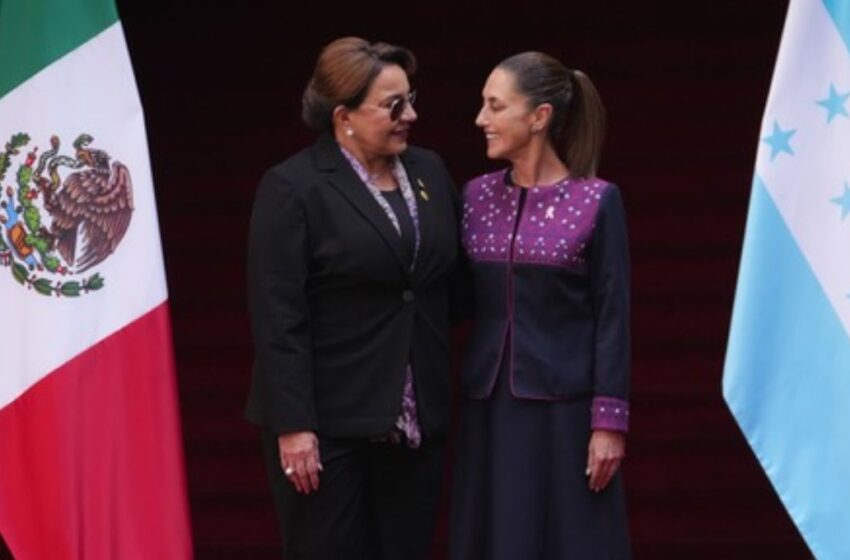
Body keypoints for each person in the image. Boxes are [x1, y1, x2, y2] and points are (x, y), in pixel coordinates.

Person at [244, 37, 460, 560]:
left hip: (412, 419)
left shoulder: (430, 170)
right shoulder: (294, 187)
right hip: (326, 426)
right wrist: (296, 426)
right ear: (344, 116)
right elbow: (279, 317)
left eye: (410, 98)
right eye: (393, 105)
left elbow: (449, 285)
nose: (411, 114)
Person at [451, 52, 632, 559]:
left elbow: (613, 314)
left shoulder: (596, 200)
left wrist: (609, 422)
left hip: (566, 414)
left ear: (539, 117)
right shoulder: (474, 196)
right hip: (488, 408)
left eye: (495, 106)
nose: (480, 119)